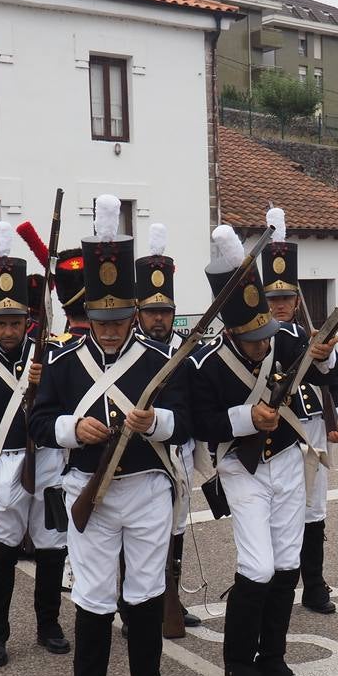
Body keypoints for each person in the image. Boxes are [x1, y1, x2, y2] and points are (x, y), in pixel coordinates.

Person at [32, 196, 190, 676]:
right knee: (96, 599)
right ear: (89, 316)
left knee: (145, 594)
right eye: (101, 320)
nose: (109, 329)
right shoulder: (62, 362)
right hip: (90, 493)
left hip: (147, 489)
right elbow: (38, 421)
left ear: (132, 314)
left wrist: (157, 422)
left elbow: (188, 421)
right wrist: (71, 430)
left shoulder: (156, 360)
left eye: (118, 319)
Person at [187, 224, 338, 676]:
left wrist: (324, 356)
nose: (262, 344)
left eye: (265, 336)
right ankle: (240, 666)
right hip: (242, 469)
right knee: (257, 565)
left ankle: (273, 658)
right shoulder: (209, 364)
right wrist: (244, 418)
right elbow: (199, 421)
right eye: (252, 338)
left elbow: (319, 374)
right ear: (231, 331)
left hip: (290, 462)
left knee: (289, 562)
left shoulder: (285, 341)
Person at [0, 221, 69, 669]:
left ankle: (48, 624)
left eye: (16, 322)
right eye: (2, 322)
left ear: (28, 321)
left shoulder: (47, 358)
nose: (9, 330)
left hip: (47, 461)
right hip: (6, 465)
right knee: (2, 554)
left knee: (51, 550)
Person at [258, 208, 338, 616]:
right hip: (277, 431)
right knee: (276, 510)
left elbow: (331, 381)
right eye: (273, 298)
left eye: (286, 297)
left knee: (314, 511)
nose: (280, 305)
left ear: (297, 300)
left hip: (312, 427)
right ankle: (275, 581)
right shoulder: (258, 339)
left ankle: (314, 584)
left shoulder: (313, 337)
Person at [132, 222, 202, 633]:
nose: (159, 319)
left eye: (165, 311)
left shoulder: (187, 350)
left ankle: (170, 596)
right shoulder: (128, 352)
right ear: (139, 312)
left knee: (176, 529)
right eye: (152, 311)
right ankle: (140, 604)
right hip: (143, 455)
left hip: (181, 451)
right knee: (142, 533)